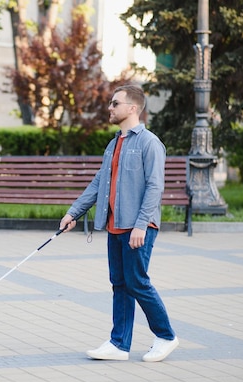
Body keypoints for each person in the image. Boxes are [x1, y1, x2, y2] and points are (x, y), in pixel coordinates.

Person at [59, 84, 179, 362]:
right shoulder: (114, 143)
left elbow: (154, 187)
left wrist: (141, 224)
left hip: (138, 227)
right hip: (115, 225)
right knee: (120, 284)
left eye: (115, 103)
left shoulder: (149, 143)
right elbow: (99, 182)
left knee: (137, 282)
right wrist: (73, 212)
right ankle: (119, 344)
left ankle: (166, 336)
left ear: (132, 108)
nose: (110, 108)